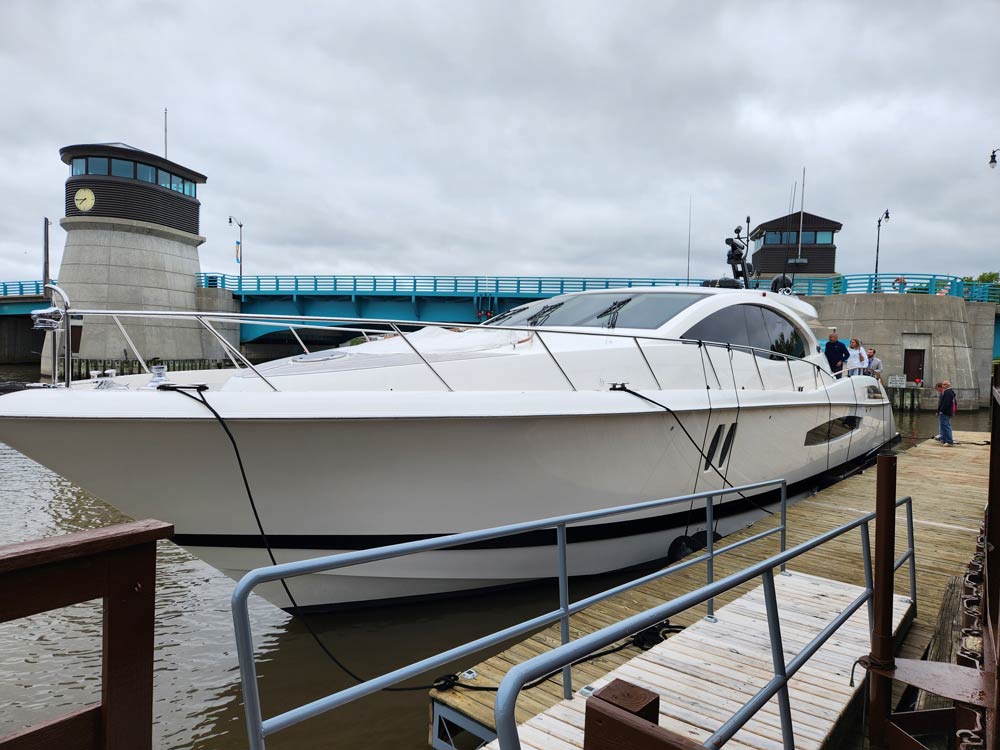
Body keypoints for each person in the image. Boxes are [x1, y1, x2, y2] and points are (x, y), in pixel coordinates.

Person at [936, 381, 956, 446]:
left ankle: (949, 441)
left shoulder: (948, 393)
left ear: (948, 385)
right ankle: (944, 440)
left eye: (944, 384)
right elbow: (941, 403)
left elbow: (946, 403)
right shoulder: (946, 392)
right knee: (943, 426)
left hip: (945, 412)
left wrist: (941, 411)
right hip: (944, 412)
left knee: (946, 426)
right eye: (943, 384)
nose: (943, 385)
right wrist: (938, 411)